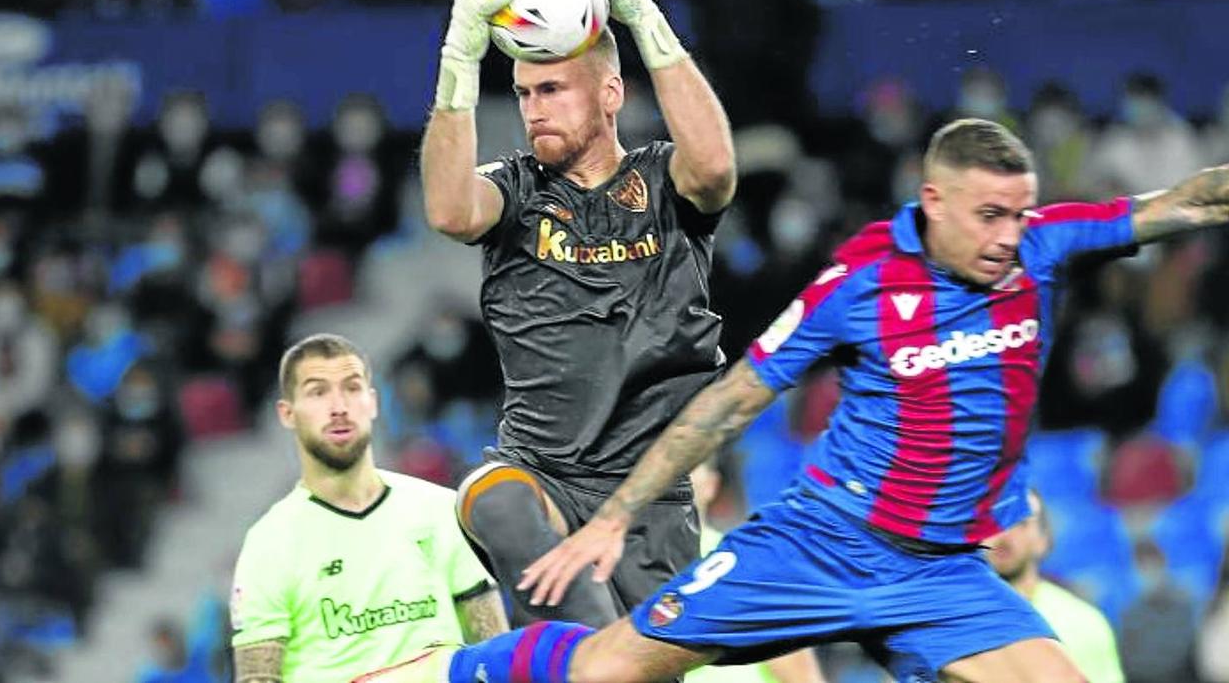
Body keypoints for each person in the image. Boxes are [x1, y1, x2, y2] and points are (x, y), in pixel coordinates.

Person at [362, 116, 1229, 683]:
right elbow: (730, 401)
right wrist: (617, 515)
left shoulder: (1042, 246)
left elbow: (1183, 203)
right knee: (604, 672)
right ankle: (449, 671)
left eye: (1021, 214)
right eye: (991, 215)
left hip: (940, 572)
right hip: (821, 544)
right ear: (934, 202)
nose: (1011, 235)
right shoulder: (860, 283)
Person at [420, 0, 736, 630]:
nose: (534, 109)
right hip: (541, 478)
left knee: (630, 668)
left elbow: (715, 168)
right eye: (525, 92)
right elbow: (447, 208)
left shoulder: (662, 182)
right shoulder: (517, 190)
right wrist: (459, 55)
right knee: (491, 498)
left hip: (649, 501)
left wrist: (640, 12)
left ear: (611, 94)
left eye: (554, 89)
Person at [230, 333, 507, 682]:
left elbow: (495, 649)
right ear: (287, 414)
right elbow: (257, 675)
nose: (339, 407)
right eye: (317, 392)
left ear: (373, 402)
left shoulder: (439, 509)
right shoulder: (270, 542)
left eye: (351, 388)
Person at [685, 453, 826, 683]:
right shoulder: (619, 566)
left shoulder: (748, 564)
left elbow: (803, 677)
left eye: (687, 468)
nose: (674, 481)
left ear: (712, 485)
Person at [983, 489, 1125, 683]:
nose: (1005, 534)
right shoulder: (944, 622)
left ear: (1044, 540)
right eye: (993, 522)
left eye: (1020, 523)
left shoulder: (1083, 623)